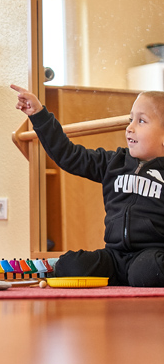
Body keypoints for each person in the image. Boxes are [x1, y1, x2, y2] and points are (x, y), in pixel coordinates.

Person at [11, 83, 164, 287]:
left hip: (153, 255)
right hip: (114, 257)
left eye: (141, 121)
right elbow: (69, 155)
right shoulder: (113, 162)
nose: (130, 127)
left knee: (147, 271)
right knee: (72, 266)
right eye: (130, 119)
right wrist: (39, 115)